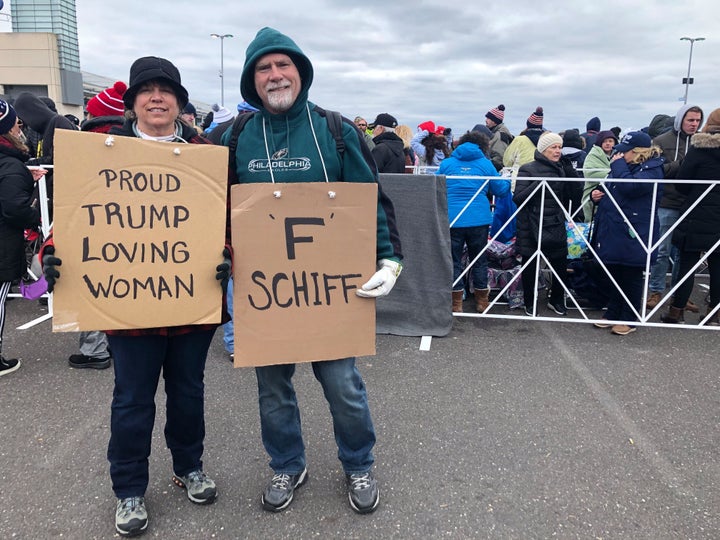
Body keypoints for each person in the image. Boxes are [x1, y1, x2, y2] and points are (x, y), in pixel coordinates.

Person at [42, 56, 229, 537]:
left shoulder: (206, 153)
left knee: (189, 394)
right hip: (130, 310)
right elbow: (76, 214)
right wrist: (52, 253)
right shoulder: (104, 152)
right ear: (133, 104)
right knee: (132, 400)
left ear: (180, 103)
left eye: (166, 90)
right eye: (147, 90)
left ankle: (189, 467)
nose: (157, 97)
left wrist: (226, 253)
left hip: (192, 305)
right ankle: (128, 490)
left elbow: (225, 219)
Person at [224, 26, 402, 515]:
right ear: (252, 80)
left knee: (343, 385)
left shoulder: (337, 131)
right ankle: (287, 462)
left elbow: (372, 204)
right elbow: (212, 209)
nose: (275, 74)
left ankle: (358, 462)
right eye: (264, 68)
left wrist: (389, 259)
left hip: (331, 294)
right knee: (273, 389)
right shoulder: (234, 136)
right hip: (267, 296)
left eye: (284, 65)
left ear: (300, 73)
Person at [62, 81, 131, 369]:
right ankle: (114, 341)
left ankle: (95, 350)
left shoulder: (86, 144)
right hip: (129, 231)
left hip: (92, 230)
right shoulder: (131, 141)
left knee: (92, 288)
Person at [591, 131, 663, 335]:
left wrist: (617, 165)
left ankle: (630, 317)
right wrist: (598, 194)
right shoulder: (624, 167)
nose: (620, 155)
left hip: (636, 227)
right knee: (615, 271)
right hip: (616, 226)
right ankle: (613, 311)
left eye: (626, 152)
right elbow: (613, 189)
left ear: (638, 152)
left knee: (631, 273)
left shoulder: (652, 168)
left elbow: (631, 188)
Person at [437, 130, 510, 313]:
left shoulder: (447, 164)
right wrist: (508, 181)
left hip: (453, 218)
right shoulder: (485, 164)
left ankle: (456, 303)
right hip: (479, 219)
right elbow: (500, 190)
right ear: (482, 145)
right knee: (480, 260)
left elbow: (434, 187)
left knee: (453, 260)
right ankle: (482, 302)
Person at [661, 108, 720, 325]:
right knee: (717, 266)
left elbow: (683, 180)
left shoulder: (699, 147)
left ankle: (676, 311)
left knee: (687, 263)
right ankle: (715, 314)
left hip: (697, 211)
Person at [513, 132, 581, 316]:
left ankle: (557, 299)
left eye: (559, 147)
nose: (558, 151)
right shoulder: (527, 168)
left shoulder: (562, 168)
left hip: (555, 222)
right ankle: (529, 301)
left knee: (560, 263)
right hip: (531, 223)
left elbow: (575, 195)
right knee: (530, 264)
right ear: (543, 149)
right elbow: (518, 198)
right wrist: (539, 184)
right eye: (553, 147)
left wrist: (570, 171)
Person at [646, 104, 704, 311]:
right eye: (690, 120)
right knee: (662, 250)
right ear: (681, 120)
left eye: (698, 120)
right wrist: (683, 164)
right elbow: (655, 169)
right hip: (667, 202)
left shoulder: (702, 142)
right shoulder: (661, 141)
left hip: (691, 204)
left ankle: (680, 295)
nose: (694, 124)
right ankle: (655, 291)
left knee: (685, 253)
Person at [0, 100, 43, 377]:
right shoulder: (10, 166)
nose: (20, 127)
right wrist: (36, 214)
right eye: (16, 123)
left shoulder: (12, 167)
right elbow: (14, 208)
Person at [581, 130, 618, 221]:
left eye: (610, 141)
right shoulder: (593, 155)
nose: (607, 144)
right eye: (604, 141)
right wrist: (612, 175)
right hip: (593, 190)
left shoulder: (619, 154)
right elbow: (589, 173)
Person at [483, 104, 513, 171]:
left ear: (494, 121)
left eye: (488, 118)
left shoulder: (499, 135)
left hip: (494, 171)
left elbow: (499, 159)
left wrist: (485, 168)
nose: (485, 120)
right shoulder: (495, 133)